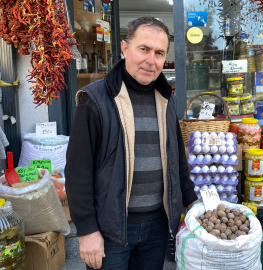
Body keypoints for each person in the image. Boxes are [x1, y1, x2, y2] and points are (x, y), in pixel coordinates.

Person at [65, 17, 199, 270]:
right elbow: (77, 172)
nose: (151, 60)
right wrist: (87, 230)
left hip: (157, 227)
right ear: (125, 49)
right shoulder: (95, 100)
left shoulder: (166, 100)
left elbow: (177, 159)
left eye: (159, 53)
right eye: (144, 49)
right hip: (111, 229)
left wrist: (193, 202)